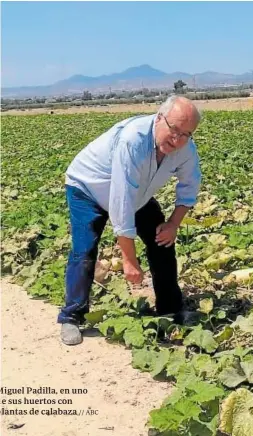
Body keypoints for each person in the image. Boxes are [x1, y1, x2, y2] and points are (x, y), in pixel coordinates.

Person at [58, 95, 202, 345]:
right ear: (159, 118)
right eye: (174, 130)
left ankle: (169, 311)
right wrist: (129, 261)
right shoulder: (132, 140)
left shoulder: (185, 150)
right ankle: (71, 317)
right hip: (88, 188)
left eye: (186, 134)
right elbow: (120, 202)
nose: (177, 140)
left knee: (163, 242)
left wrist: (173, 225)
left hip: (137, 195)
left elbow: (189, 187)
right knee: (85, 250)